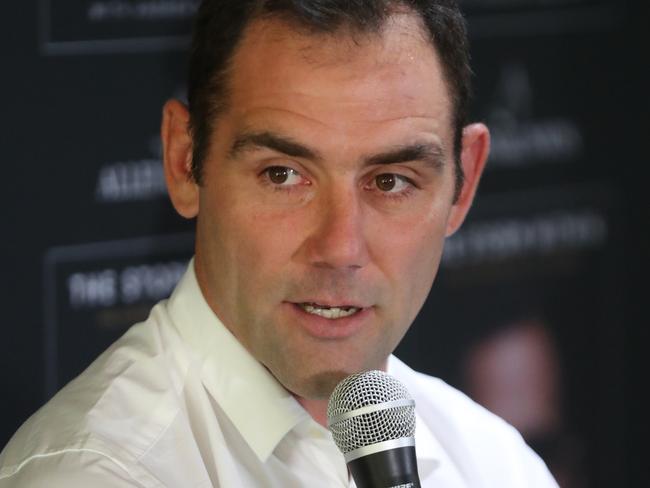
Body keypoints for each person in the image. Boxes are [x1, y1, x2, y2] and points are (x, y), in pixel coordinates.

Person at [0, 1, 558, 486]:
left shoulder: (495, 464)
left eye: (391, 181)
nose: (340, 248)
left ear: (463, 184)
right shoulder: (91, 475)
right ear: (183, 162)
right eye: (283, 175)